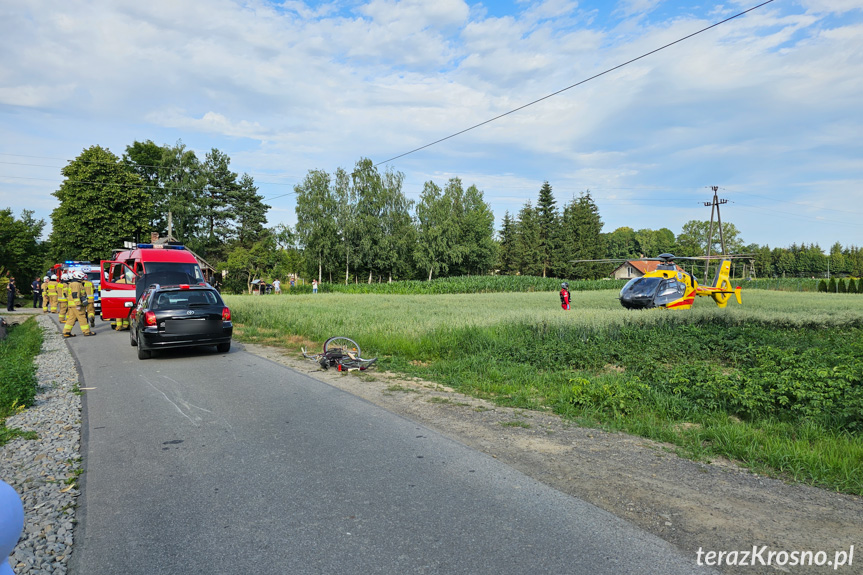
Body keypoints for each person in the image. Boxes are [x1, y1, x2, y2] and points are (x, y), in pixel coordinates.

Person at [62, 271, 94, 337]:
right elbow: (75, 295)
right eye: (82, 277)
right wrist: (78, 304)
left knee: (71, 318)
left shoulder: (73, 283)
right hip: (76, 305)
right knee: (82, 317)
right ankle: (86, 331)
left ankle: (66, 332)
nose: (83, 278)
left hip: (72, 305)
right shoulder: (76, 284)